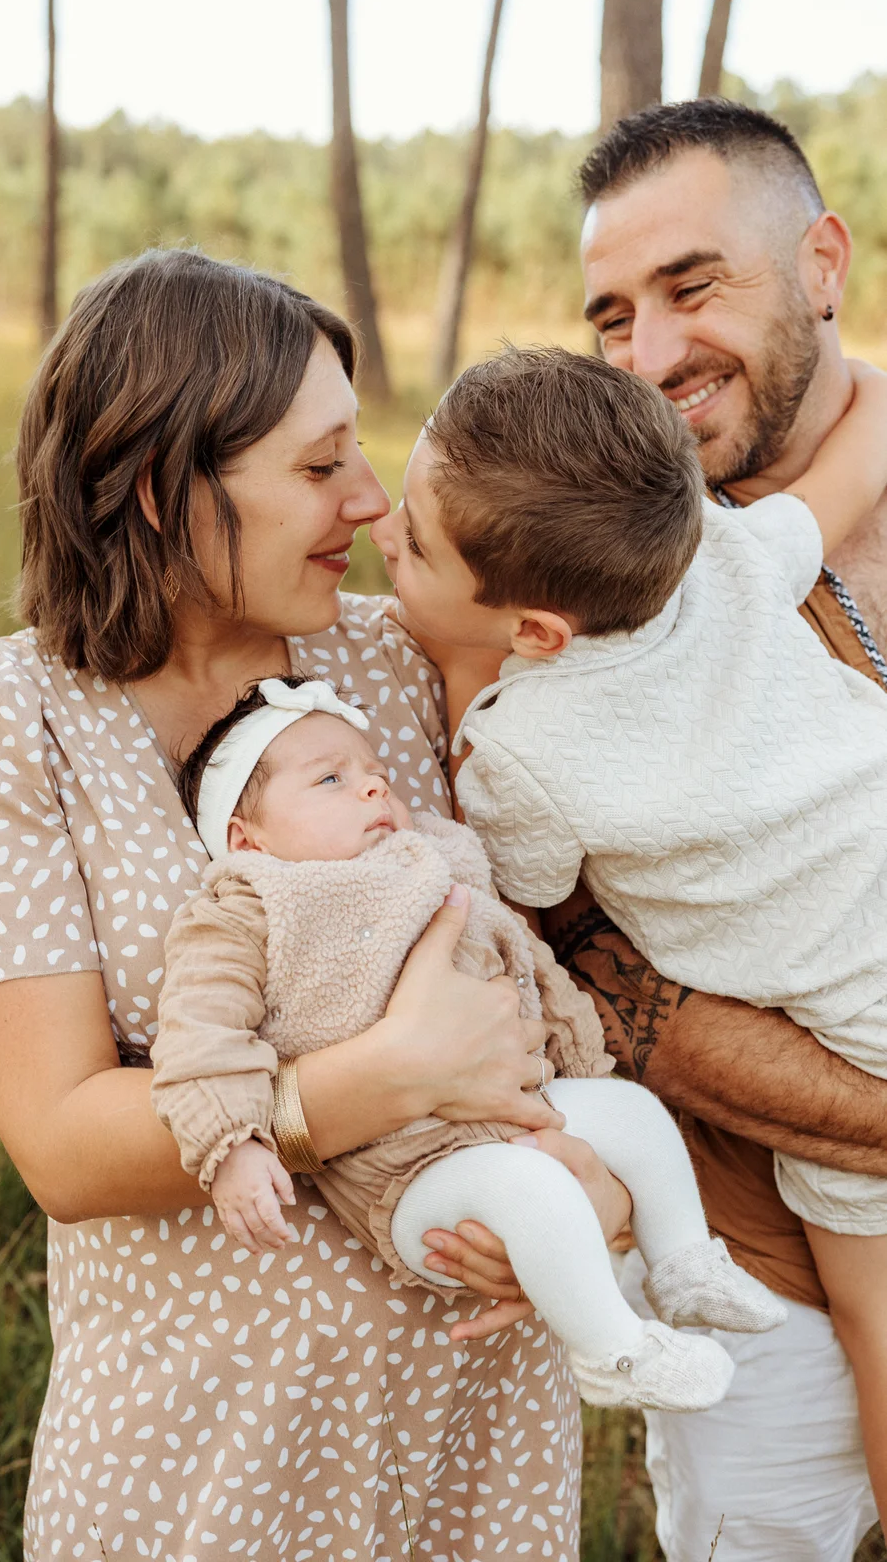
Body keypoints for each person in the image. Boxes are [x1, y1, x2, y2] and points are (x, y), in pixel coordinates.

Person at [0, 247, 631, 1559]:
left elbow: (586, 967)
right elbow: (63, 1144)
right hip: (210, 1451)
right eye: (316, 465)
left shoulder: (406, 650)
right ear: (160, 486)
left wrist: (602, 1193)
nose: (367, 500)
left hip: (472, 1431)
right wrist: (390, 1076)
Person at [405, 100, 887, 1561]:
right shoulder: (627, 547)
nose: (653, 355)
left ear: (820, 262)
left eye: (693, 287)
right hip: (758, 1231)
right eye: (611, 315)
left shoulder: (625, 606)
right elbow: (576, 955)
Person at [149, 675, 785, 1412]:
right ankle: (614, 1351)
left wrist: (577, 1066)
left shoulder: (434, 866)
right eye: (331, 779)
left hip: (513, 1103)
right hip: (406, 1172)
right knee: (531, 1188)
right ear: (243, 838)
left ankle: (683, 1263)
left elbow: (526, 962)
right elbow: (199, 1035)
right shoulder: (246, 907)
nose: (374, 791)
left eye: (377, 775)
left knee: (631, 1113)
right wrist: (232, 1145)